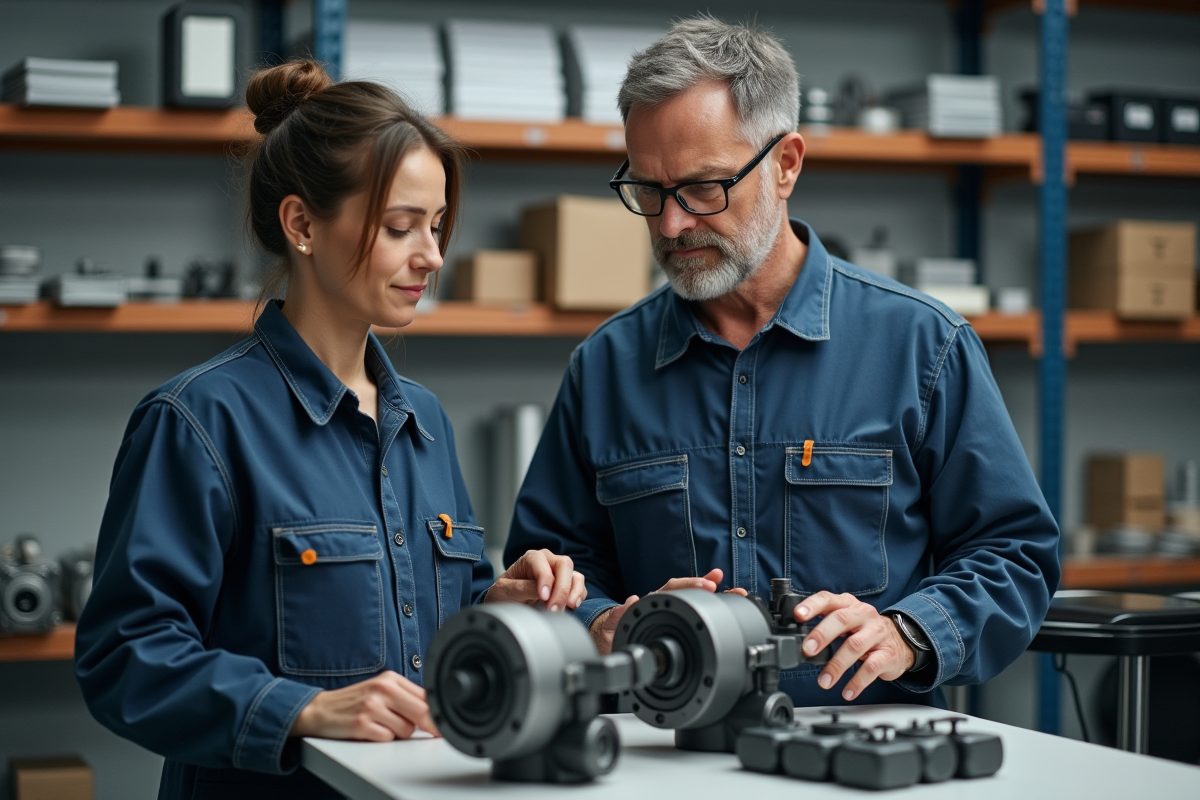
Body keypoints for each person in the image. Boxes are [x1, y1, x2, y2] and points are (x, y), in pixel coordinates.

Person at [504, 16, 1059, 709]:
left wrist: (907, 633)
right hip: (664, 760)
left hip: (860, 760)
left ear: (787, 163)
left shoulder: (924, 345)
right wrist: (602, 624)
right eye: (649, 191)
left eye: (704, 188)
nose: (672, 225)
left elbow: (1013, 553)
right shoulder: (606, 366)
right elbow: (553, 569)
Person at [75, 61, 586, 800]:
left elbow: (426, 626)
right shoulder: (198, 421)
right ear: (302, 225)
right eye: (400, 227)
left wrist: (496, 610)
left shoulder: (426, 421)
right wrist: (304, 711)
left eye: (437, 227)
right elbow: (124, 654)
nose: (432, 257)